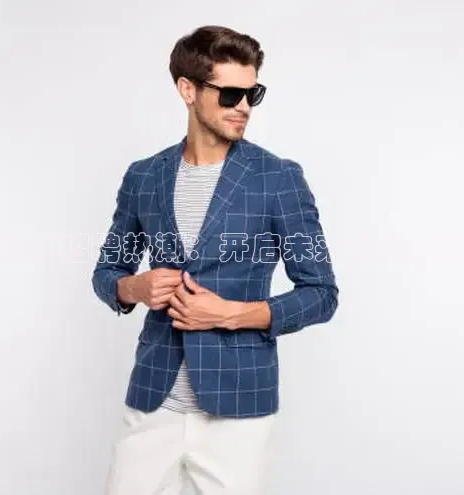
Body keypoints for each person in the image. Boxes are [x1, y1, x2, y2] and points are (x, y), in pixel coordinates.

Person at [91, 25, 339, 494]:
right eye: (230, 94)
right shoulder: (144, 177)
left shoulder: (278, 179)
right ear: (188, 90)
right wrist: (134, 287)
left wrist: (231, 314)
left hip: (238, 412)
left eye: (252, 94)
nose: (243, 107)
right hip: (153, 401)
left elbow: (321, 294)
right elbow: (108, 270)